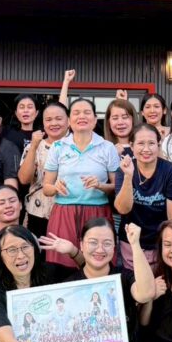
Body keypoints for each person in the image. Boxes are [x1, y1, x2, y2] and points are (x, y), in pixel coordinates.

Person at [42, 98, 119, 271]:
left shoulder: (107, 147)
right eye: (76, 113)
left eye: (87, 112)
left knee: (98, 263)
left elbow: (117, 187)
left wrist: (100, 185)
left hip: (98, 213)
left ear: (95, 119)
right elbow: (46, 188)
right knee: (61, 266)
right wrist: (55, 188)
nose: (81, 116)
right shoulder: (58, 146)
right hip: (63, 212)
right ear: (69, 120)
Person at [114, 123, 172, 270]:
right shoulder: (124, 170)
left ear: (158, 145)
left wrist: (168, 246)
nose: (146, 149)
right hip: (131, 241)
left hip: (160, 242)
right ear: (132, 146)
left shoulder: (171, 171)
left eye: (151, 143)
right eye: (141, 143)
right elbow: (123, 209)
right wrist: (128, 176)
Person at [18, 101, 70, 239]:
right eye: (48, 119)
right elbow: (24, 179)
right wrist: (34, 147)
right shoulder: (35, 146)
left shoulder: (77, 146)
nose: (54, 123)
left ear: (68, 121)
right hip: (38, 212)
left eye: (59, 119)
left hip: (68, 211)